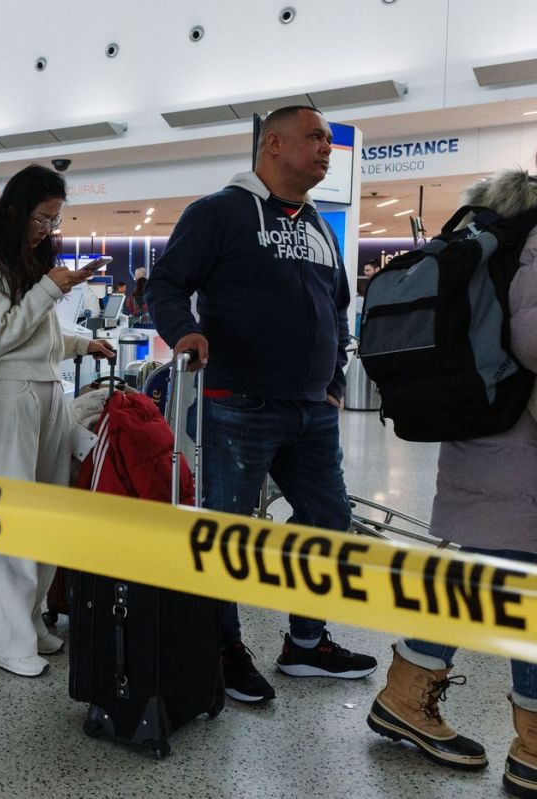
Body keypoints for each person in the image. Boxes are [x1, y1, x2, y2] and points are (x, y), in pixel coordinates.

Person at [145, 105, 377, 705]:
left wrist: (334, 380)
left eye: (330, 140)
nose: (328, 149)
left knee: (329, 521)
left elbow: (337, 305)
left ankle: (306, 642)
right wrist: (184, 333)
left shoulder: (321, 226)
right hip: (236, 405)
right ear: (273, 144)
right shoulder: (219, 212)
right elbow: (166, 284)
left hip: (311, 411)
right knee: (226, 534)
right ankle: (222, 648)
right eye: (316, 138)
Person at [365, 167, 537, 794]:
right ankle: (533, 750)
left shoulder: (491, 237)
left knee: (484, 579)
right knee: (518, 592)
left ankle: (405, 696)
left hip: (488, 437)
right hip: (520, 452)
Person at [0, 164, 114, 678]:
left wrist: (81, 343)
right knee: (9, 517)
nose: (48, 229)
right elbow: (0, 338)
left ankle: (29, 620)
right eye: (43, 218)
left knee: (46, 513)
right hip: (8, 395)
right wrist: (50, 288)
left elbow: (39, 336)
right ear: (17, 210)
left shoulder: (28, 259)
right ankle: (1, 638)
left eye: (55, 220)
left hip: (47, 393)